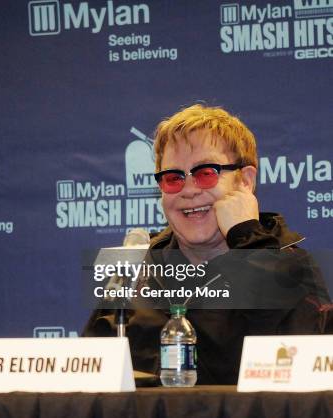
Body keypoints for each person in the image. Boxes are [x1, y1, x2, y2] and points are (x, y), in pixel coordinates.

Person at [84, 104, 332, 384]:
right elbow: (89, 383)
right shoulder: (135, 270)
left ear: (245, 182)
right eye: (173, 178)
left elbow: (301, 381)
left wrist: (247, 237)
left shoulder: (292, 267)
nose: (189, 190)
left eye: (206, 173)